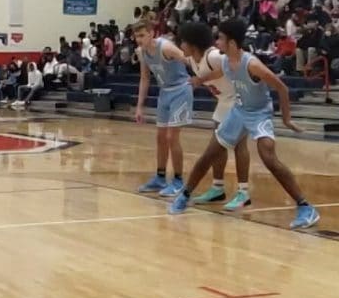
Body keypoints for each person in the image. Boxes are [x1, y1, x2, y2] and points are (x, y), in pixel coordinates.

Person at [169, 19, 319, 230]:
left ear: (231, 42)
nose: (216, 42)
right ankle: (184, 195)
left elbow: (282, 88)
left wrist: (286, 119)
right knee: (210, 153)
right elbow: (219, 73)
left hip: (259, 113)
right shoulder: (225, 62)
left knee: (268, 157)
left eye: (220, 38)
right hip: (239, 111)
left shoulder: (253, 64)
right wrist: (199, 81)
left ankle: (305, 207)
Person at [179, 23, 251, 210]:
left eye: (183, 42)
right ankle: (218, 187)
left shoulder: (213, 55)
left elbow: (233, 63)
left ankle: (244, 192)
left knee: (238, 145)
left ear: (193, 43)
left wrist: (201, 80)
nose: (181, 46)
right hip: (224, 101)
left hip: (238, 99)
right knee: (218, 147)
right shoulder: (194, 59)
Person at [133, 20, 193, 196]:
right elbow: (145, 78)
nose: (139, 39)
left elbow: (190, 61)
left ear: (152, 33)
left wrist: (206, 79)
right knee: (160, 137)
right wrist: (139, 107)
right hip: (164, 92)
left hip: (181, 90)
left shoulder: (167, 48)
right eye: (136, 36)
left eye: (142, 35)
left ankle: (178, 181)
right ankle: (160, 178)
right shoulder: (141, 52)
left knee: (171, 137)